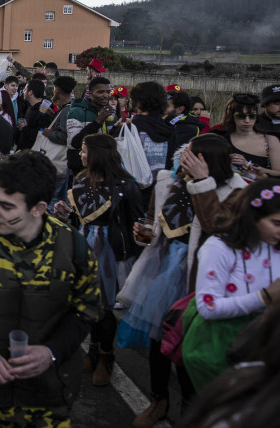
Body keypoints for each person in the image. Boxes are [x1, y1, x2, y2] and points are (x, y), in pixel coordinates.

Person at [0, 150, 101, 427]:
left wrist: (51, 351)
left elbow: (86, 310)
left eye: (6, 206)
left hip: (50, 400)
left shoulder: (73, 250)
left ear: (38, 208)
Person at [117, 134, 244, 427]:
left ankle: (191, 407)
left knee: (189, 346)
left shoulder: (237, 191)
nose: (181, 158)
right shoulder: (167, 181)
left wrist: (201, 184)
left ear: (207, 162)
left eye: (190, 154)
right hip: (163, 269)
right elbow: (152, 221)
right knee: (158, 339)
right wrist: (142, 234)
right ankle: (158, 400)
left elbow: (218, 229)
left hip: (201, 274)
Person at [54, 133, 143, 387]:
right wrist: (66, 215)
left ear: (99, 155)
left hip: (110, 253)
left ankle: (106, 357)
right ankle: (92, 349)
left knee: (103, 309)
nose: (81, 155)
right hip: (83, 246)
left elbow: (134, 223)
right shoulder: (82, 179)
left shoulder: (126, 187)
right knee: (85, 303)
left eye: (84, 151)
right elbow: (82, 219)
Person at [183, 178, 280, 392]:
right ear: (253, 217)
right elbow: (208, 308)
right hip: (220, 345)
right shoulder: (220, 248)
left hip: (268, 343)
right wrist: (265, 297)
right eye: (276, 223)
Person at [214, 93, 280, 179]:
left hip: (262, 190)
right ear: (231, 116)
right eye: (241, 116)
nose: (247, 121)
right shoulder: (222, 140)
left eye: (252, 116)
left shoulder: (270, 140)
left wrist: (249, 166)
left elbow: (278, 173)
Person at [66, 76, 112, 175]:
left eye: (108, 92)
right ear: (90, 94)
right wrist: (98, 121)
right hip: (82, 169)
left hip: (104, 167)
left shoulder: (110, 113)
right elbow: (75, 143)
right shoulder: (76, 112)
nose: (105, 95)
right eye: (100, 92)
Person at [16, 79, 53, 150]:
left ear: (30, 92)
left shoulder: (43, 111)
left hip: (32, 153)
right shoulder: (31, 107)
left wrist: (24, 128)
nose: (24, 92)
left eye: (25, 89)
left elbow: (40, 133)